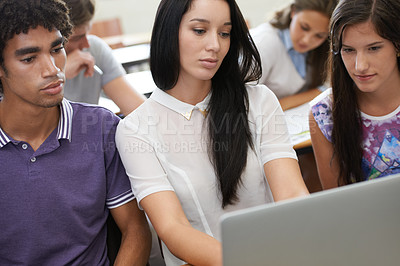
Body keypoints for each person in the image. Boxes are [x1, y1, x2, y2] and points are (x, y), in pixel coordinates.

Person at [116, 0, 309, 265]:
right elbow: (173, 229)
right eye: (199, 30)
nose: (215, 46)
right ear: (169, 32)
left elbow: (292, 195)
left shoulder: (259, 101)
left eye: (224, 33)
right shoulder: (135, 129)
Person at [0, 0, 151, 264]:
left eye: (57, 49)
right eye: (29, 58)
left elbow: (135, 231)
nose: (52, 69)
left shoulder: (102, 128)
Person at [309, 0, 400, 189]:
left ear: (397, 45)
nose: (360, 66)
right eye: (348, 50)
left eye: (374, 48)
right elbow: (338, 204)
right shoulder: (324, 113)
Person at [250, 0, 337, 110]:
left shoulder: (321, 49)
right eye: (304, 27)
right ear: (293, 12)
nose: (306, 40)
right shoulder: (262, 43)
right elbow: (243, 104)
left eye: (319, 36)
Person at [63, 0, 145, 116]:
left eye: (87, 33)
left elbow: (139, 111)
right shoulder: (32, 62)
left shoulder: (95, 50)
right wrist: (60, 75)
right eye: (77, 38)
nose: (86, 44)